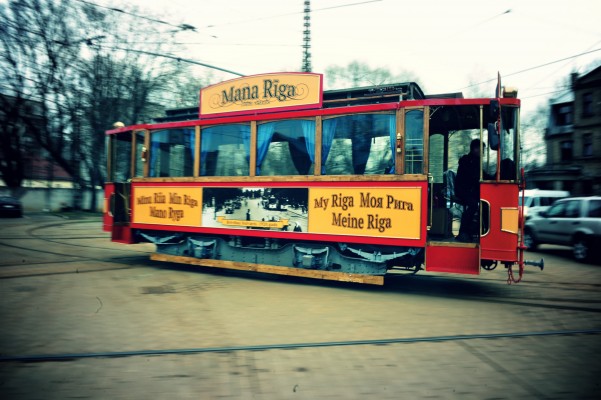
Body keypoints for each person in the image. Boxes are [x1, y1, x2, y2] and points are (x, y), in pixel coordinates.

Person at [455, 139, 483, 242]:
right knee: (473, 204)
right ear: (475, 149)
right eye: (481, 149)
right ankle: (463, 231)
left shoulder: (475, 161)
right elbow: (474, 177)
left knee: (482, 202)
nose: (483, 152)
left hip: (469, 190)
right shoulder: (468, 161)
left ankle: (474, 230)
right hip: (462, 190)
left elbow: (480, 175)